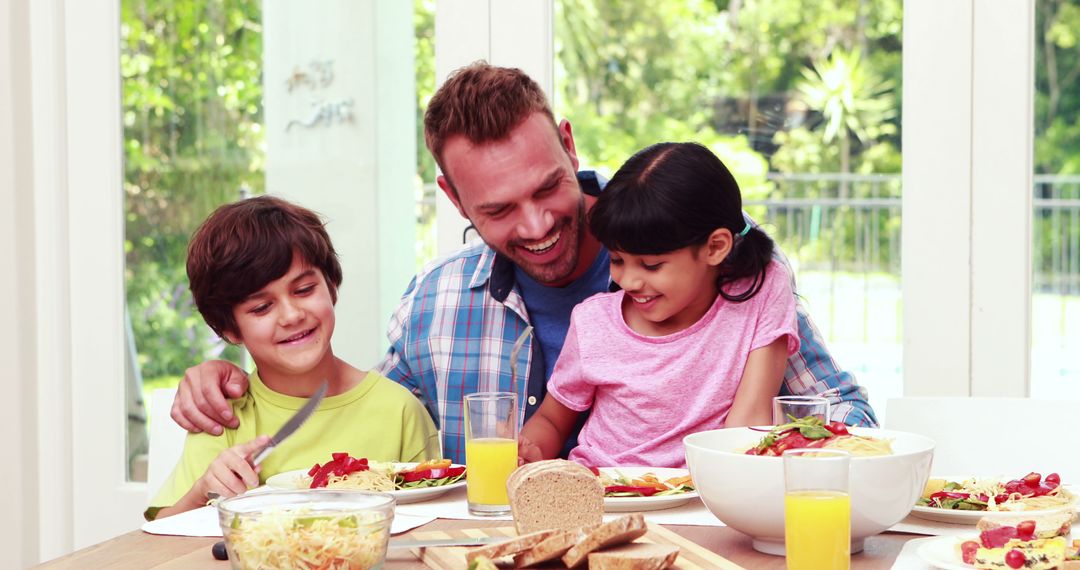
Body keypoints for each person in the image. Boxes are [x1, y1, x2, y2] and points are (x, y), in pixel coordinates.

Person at [169, 63, 878, 466]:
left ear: (568, 144)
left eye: (547, 188)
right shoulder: (435, 304)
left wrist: (760, 457)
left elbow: (845, 417)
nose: (537, 226)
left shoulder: (716, 266)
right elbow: (359, 418)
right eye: (500, 211)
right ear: (452, 199)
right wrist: (228, 374)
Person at [147, 196, 439, 520]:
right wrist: (204, 491)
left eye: (304, 290)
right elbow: (163, 535)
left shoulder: (399, 411)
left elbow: (428, 528)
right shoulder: (224, 415)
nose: (291, 315)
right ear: (230, 329)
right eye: (261, 308)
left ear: (331, 287)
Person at [519, 142, 798, 468]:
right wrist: (530, 450)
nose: (630, 281)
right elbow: (553, 420)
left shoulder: (761, 290)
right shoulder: (593, 321)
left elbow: (749, 422)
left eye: (651, 266)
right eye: (617, 259)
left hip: (705, 496)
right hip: (602, 493)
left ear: (716, 247)